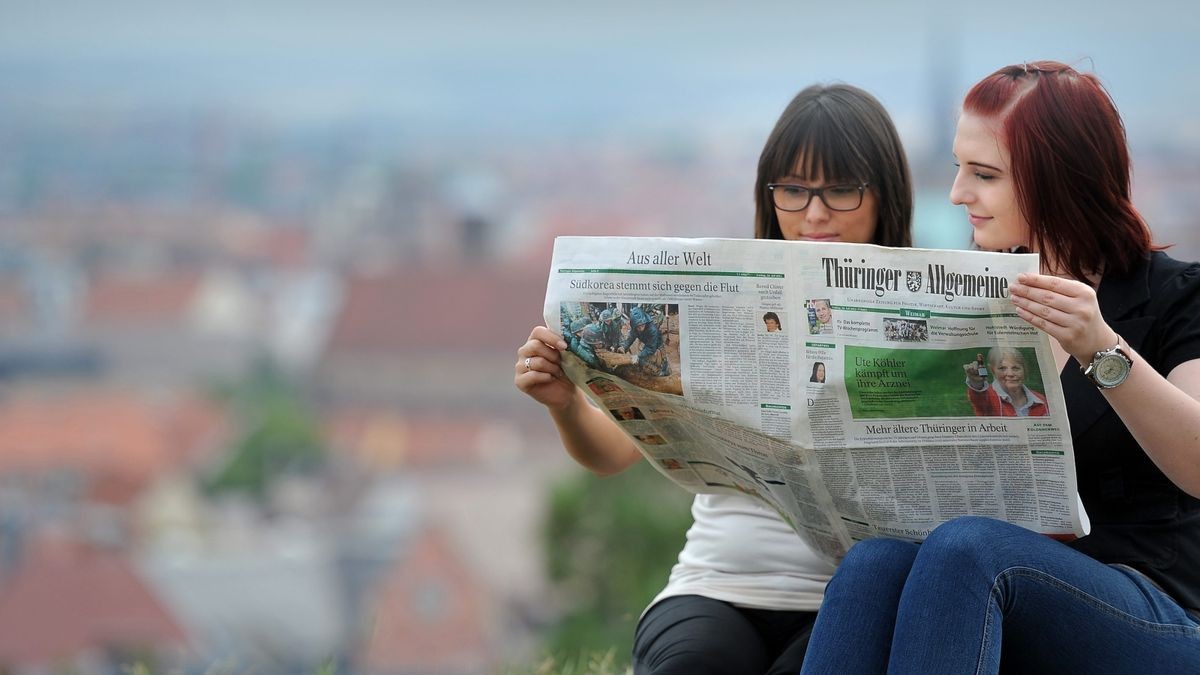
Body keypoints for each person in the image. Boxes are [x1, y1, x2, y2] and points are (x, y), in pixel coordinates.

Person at [801, 61, 1200, 674]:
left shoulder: (1174, 296)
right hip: (1005, 584)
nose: (959, 193)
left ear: (1058, 180)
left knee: (969, 549)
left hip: (1158, 608)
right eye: (960, 168)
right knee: (874, 561)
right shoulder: (975, 295)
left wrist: (1101, 349)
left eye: (983, 175)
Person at [515, 82, 913, 674]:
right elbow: (614, 454)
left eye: (841, 189)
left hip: (850, 601)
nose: (814, 213)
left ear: (885, 194)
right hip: (714, 587)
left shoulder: (919, 308)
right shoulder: (730, 304)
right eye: (794, 190)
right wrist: (565, 405)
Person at [962, 346, 1048, 416]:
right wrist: (976, 382)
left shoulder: (1040, 399)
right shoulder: (988, 397)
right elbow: (979, 397)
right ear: (992, 370)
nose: (1010, 374)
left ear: (1024, 370)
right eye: (1002, 368)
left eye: (1016, 368)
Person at [621, 305, 670, 376]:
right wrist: (624, 347)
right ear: (634, 325)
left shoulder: (652, 329)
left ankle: (665, 370)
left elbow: (651, 348)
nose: (640, 328)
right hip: (647, 342)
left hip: (655, 342)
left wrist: (638, 356)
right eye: (638, 326)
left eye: (642, 325)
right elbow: (630, 338)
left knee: (661, 355)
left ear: (645, 321)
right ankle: (642, 368)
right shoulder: (635, 328)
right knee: (642, 359)